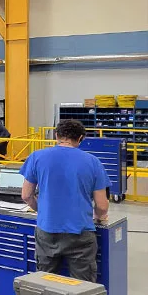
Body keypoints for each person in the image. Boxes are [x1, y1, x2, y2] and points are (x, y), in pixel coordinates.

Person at [20, 120, 110, 282]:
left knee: (45, 284)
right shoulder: (93, 162)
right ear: (81, 138)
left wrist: (43, 211)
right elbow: (102, 206)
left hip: (47, 231)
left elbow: (26, 195)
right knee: (83, 290)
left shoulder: (37, 157)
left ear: (56, 135)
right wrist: (98, 217)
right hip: (80, 234)